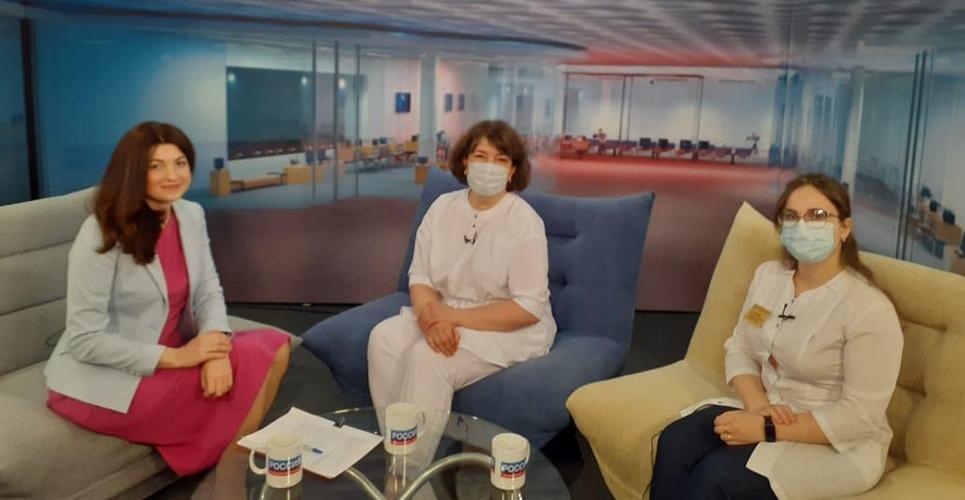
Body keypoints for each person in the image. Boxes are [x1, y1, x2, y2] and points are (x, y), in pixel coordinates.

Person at [44, 121, 291, 476]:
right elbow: (85, 340)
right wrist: (180, 357)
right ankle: (231, 479)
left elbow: (208, 289)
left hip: (175, 347)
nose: (172, 175)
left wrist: (215, 348)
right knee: (245, 374)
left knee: (274, 347)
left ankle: (229, 473)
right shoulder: (101, 233)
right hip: (108, 375)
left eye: (180, 163)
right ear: (132, 173)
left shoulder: (190, 214)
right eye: (156, 166)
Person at [650, 173, 903, 500]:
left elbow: (859, 418)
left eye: (817, 215)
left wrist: (766, 428)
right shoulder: (769, 278)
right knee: (676, 441)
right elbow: (740, 348)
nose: (803, 225)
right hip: (769, 408)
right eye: (791, 216)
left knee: (716, 477)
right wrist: (758, 407)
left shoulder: (868, 310)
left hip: (839, 444)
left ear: (844, 228)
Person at [367, 120, 556, 413]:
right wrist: (434, 321)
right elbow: (421, 278)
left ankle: (417, 445)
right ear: (465, 162)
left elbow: (528, 308)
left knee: (429, 355)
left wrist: (450, 317)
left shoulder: (524, 221)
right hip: (443, 311)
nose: (489, 166)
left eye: (501, 160)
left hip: (508, 328)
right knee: (384, 338)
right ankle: (394, 435)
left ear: (512, 170)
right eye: (481, 156)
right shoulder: (441, 207)